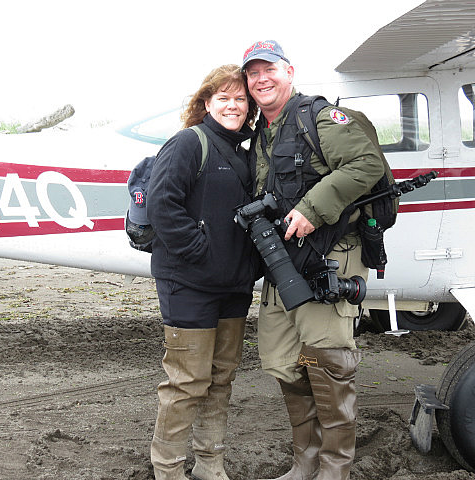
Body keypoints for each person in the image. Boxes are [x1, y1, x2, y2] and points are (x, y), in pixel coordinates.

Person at [241, 41, 385, 480]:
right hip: (282, 264)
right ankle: (305, 461)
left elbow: (366, 164)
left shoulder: (319, 118)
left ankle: (334, 469)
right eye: (253, 73)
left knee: (328, 361)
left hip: (329, 257)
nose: (261, 79)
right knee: (282, 358)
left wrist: (310, 209)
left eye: (269, 69)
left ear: (289, 72)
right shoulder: (261, 134)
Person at [146, 64, 260, 480]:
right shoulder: (188, 143)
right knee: (187, 381)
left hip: (234, 287)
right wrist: (200, 252)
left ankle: (210, 465)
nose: (233, 106)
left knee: (221, 379)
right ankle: (168, 470)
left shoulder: (246, 152)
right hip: (189, 284)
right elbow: (162, 204)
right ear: (207, 102)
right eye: (223, 98)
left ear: (250, 106)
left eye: (240, 99)